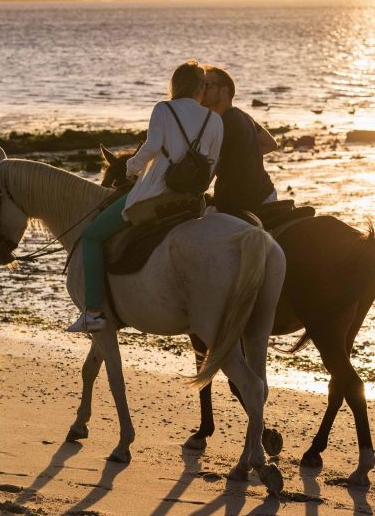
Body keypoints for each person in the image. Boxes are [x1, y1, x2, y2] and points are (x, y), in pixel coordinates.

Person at [67, 60, 224, 332]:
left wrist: (131, 169)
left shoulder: (163, 109)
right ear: (201, 87)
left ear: (176, 85)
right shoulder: (215, 120)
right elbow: (212, 164)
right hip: (192, 201)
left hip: (155, 197)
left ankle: (93, 311)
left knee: (92, 236)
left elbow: (151, 147)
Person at [199, 65, 278, 215]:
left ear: (224, 91)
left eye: (207, 85)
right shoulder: (243, 116)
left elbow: (208, 172)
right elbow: (271, 144)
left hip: (245, 202)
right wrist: (244, 155)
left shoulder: (221, 123)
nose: (202, 90)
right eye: (201, 86)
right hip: (267, 194)